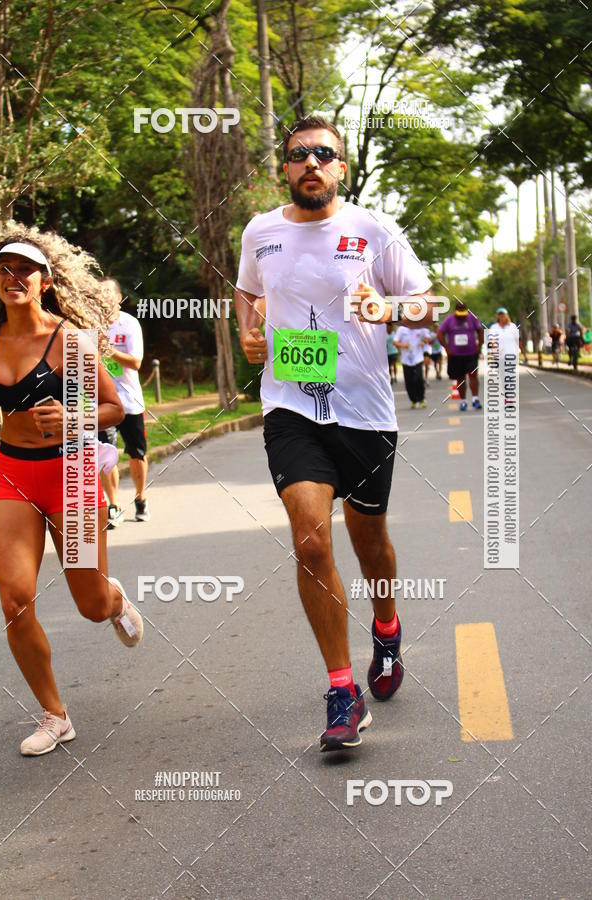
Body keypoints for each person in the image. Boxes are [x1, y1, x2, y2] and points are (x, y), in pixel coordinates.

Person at [235, 115, 435, 753]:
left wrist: (391, 307)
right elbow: (247, 293)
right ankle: (342, 689)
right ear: (285, 168)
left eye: (325, 153)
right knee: (310, 537)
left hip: (366, 411)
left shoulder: (372, 229)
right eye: (299, 155)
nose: (312, 163)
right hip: (291, 404)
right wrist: (246, 331)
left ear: (342, 167)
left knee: (368, 538)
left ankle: (387, 627)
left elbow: (427, 301)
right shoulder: (260, 232)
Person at [0, 227, 143, 757]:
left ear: (45, 280)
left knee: (90, 606)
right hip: (13, 474)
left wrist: (72, 415)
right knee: (14, 598)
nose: (13, 278)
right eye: (4, 269)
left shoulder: (67, 343)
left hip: (73, 474)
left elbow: (114, 410)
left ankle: (114, 597)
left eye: (24, 269)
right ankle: (55, 715)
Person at [99, 278, 150, 525]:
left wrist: (108, 351)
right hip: (102, 402)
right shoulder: (90, 324)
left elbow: (136, 362)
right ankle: (114, 504)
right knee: (106, 454)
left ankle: (140, 498)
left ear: (119, 297)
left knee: (137, 453)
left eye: (108, 292)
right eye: (99, 293)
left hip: (129, 401)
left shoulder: (129, 324)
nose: (103, 297)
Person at [437, 300, 484, 411]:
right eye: (460, 315)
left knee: (473, 376)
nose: (462, 317)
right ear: (456, 312)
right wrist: (447, 348)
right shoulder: (449, 319)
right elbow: (440, 333)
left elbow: (480, 330)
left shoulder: (471, 318)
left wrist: (479, 345)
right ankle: (463, 401)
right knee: (460, 378)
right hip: (455, 355)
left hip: (471, 353)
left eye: (464, 315)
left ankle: (475, 399)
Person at [393, 323, 430, 408]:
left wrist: (423, 342)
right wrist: (403, 345)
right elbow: (395, 342)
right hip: (406, 360)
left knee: (418, 379)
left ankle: (421, 399)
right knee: (409, 382)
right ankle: (413, 400)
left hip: (418, 358)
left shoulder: (420, 327)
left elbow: (428, 338)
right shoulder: (402, 329)